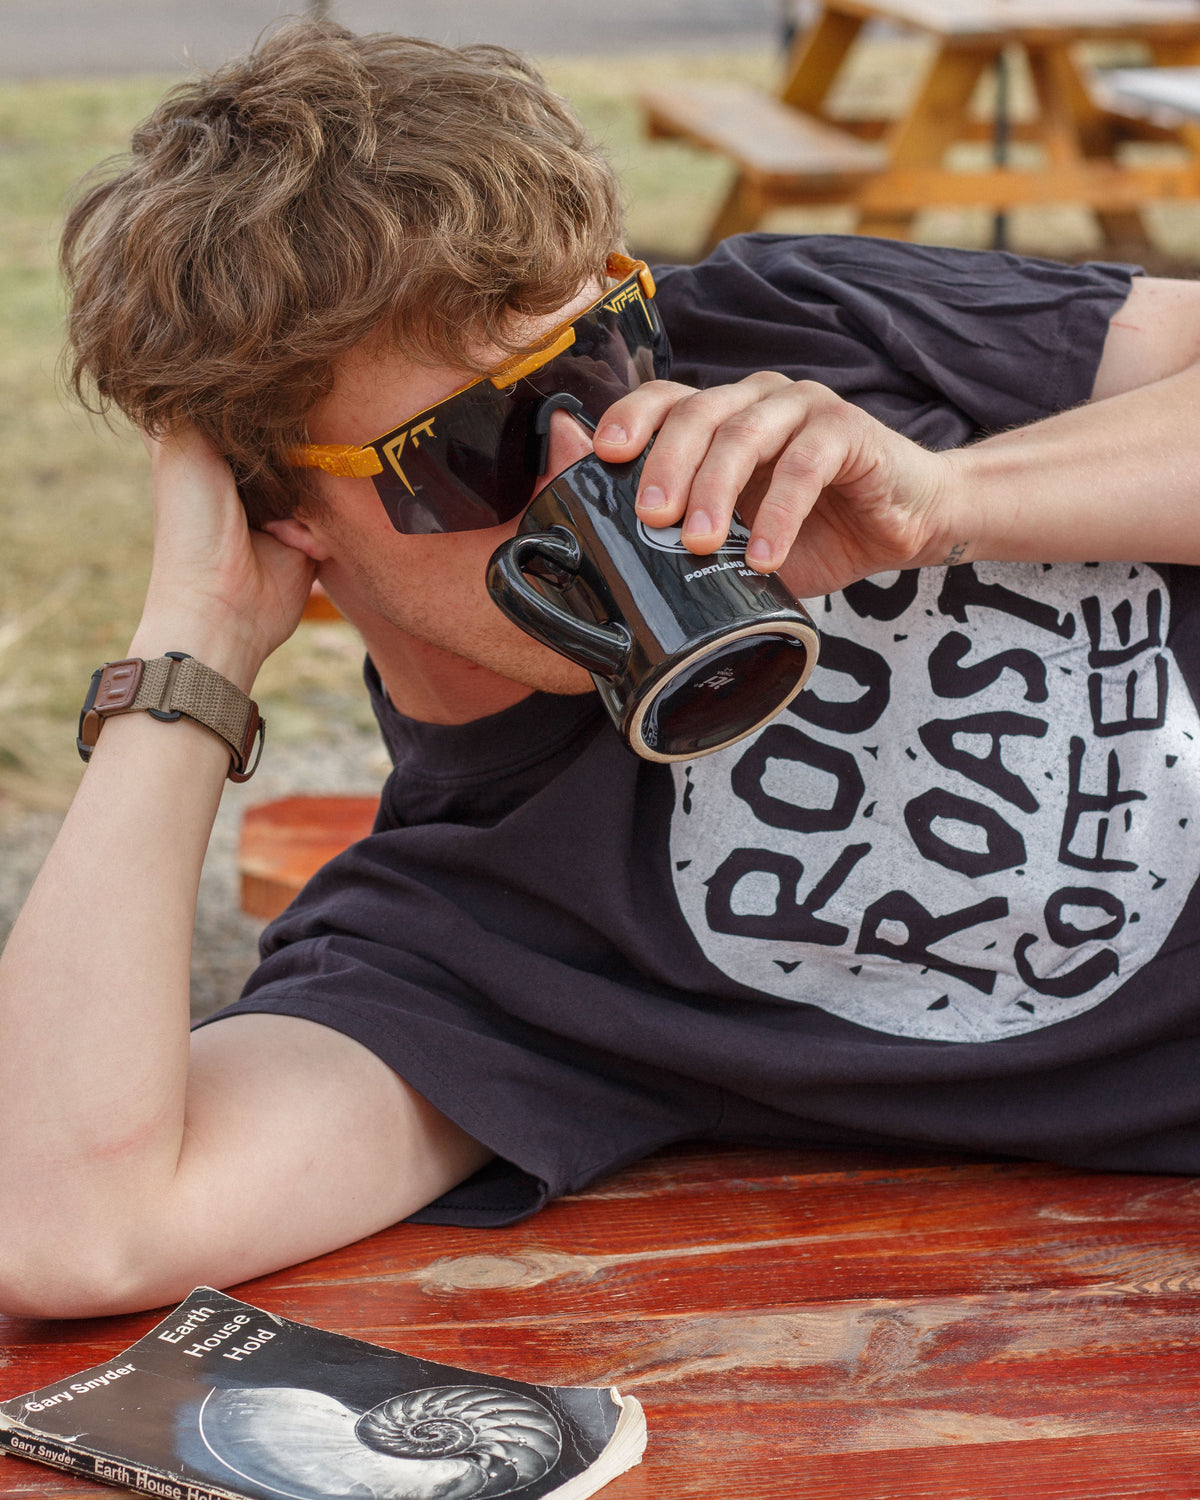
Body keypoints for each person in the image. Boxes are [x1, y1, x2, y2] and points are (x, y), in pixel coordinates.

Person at [4, 19, 1200, 1322]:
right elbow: (67, 1226)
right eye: (469, 449)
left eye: (600, 354)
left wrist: (958, 500)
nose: (587, 461)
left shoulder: (783, 334)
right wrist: (193, 643)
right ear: (284, 514)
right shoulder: (471, 941)